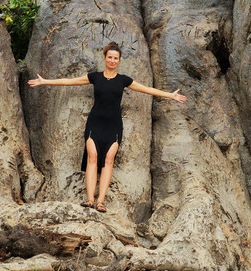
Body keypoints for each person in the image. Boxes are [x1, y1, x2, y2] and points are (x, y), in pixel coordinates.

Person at [27, 42, 187, 213]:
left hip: (114, 125)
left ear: (119, 61)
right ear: (104, 59)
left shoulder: (124, 80)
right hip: (95, 123)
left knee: (109, 160)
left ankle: (101, 201)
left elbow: (147, 89)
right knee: (92, 157)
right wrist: (45, 82)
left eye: (115, 58)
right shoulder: (95, 77)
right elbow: (69, 81)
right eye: (109, 57)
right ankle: (89, 199)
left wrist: (170, 95)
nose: (112, 60)